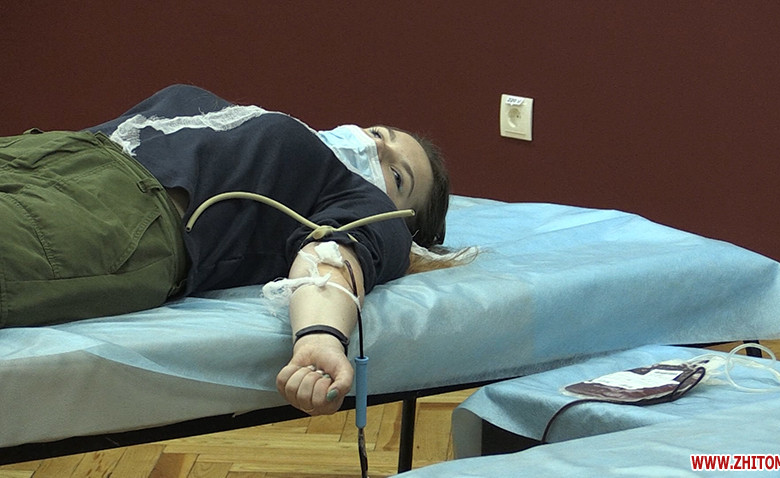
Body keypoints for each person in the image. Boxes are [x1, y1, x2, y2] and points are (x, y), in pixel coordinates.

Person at [0, 84, 452, 416]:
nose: (374, 146)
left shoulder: (365, 203)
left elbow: (333, 261)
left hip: (116, 213)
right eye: (379, 133)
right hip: (55, 152)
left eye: (397, 176)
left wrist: (320, 337)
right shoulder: (275, 127)